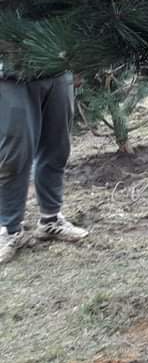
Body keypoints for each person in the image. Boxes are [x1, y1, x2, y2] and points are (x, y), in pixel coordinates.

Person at [0, 70, 88, 264]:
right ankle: (9, 229)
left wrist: (78, 65)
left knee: (57, 149)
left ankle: (50, 220)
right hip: (10, 76)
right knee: (14, 154)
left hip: (56, 70)